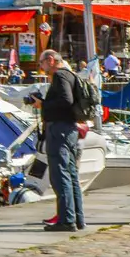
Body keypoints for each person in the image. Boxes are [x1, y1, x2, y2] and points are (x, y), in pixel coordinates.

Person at [29, 49, 87, 232]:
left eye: (41, 63)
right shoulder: (70, 75)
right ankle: (77, 218)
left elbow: (65, 101)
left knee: (60, 175)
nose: (41, 67)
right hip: (69, 129)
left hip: (60, 130)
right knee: (71, 175)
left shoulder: (60, 76)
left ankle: (67, 220)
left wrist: (42, 104)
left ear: (51, 60)